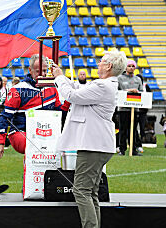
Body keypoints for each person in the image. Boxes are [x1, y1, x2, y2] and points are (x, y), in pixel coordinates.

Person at [52, 50, 128, 228]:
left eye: (101, 61)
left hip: (94, 146)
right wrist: (63, 78)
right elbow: (78, 89)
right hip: (98, 145)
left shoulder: (103, 86)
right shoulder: (105, 85)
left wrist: (59, 78)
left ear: (109, 66)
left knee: (81, 190)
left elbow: (72, 96)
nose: (98, 64)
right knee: (90, 191)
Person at [0, 54, 70, 157]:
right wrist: (0, 142)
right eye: (38, 71)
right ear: (30, 70)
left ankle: (38, 172)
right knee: (37, 145)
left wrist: (69, 100)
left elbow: (60, 114)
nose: (42, 74)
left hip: (44, 133)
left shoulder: (52, 88)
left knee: (50, 145)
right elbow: (5, 116)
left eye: (44, 71)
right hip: (20, 131)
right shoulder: (18, 89)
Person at [117, 59, 143, 156]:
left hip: (134, 108)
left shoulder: (138, 79)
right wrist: (128, 91)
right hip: (123, 109)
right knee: (123, 129)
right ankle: (122, 149)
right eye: (129, 66)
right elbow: (117, 91)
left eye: (133, 66)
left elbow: (142, 92)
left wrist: (136, 92)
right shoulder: (120, 78)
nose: (131, 68)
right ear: (126, 67)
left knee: (133, 130)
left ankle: (133, 149)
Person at [136, 74, 151, 152]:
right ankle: (135, 143)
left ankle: (142, 142)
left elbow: (149, 97)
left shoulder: (146, 86)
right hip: (134, 110)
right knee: (134, 128)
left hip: (143, 111)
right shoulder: (133, 86)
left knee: (142, 127)